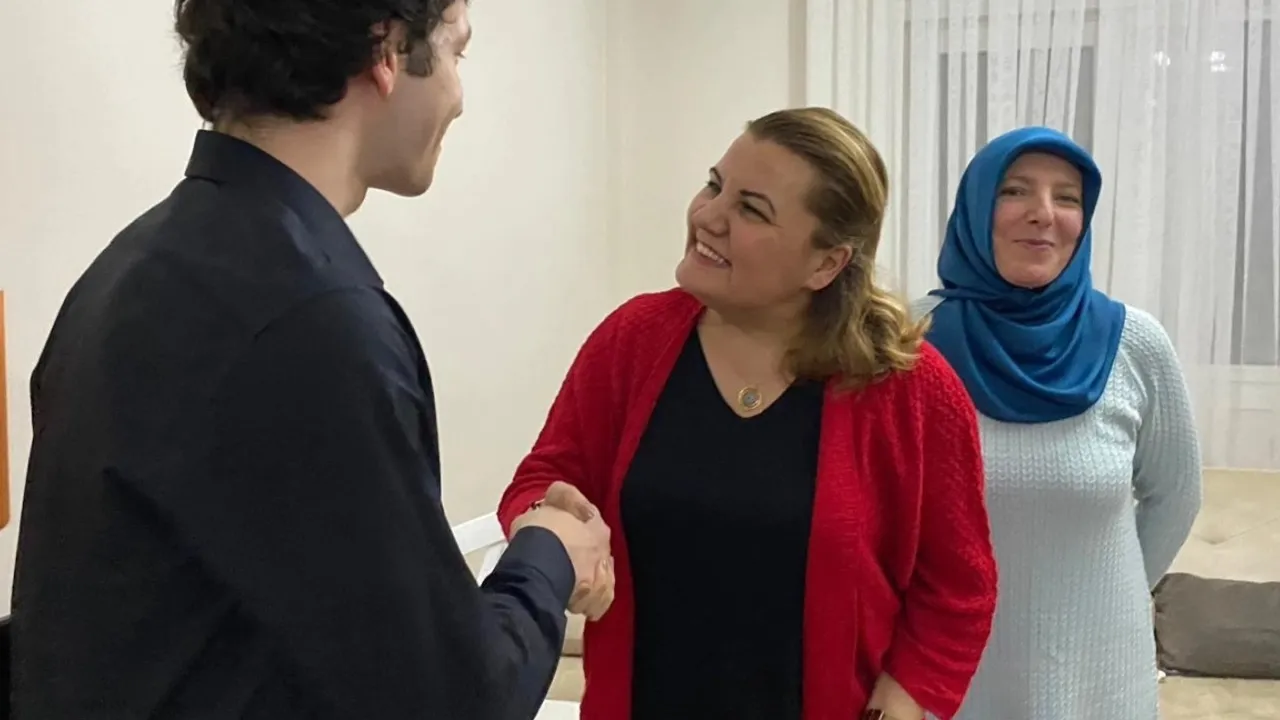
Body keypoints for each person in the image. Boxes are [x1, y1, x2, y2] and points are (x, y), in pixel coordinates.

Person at [11, 1, 614, 718]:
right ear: (387, 50)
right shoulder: (310, 316)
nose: (458, 96)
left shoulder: (127, 268)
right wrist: (548, 552)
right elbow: (453, 699)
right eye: (458, 52)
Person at [496, 107, 1000, 720]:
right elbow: (543, 479)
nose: (707, 216)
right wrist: (548, 524)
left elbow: (958, 588)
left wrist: (899, 704)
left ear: (826, 264)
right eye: (714, 185)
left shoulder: (912, 388)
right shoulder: (632, 340)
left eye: (751, 210)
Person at [913, 126, 1202, 719]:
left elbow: (1176, 496)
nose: (1043, 214)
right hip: (947, 673)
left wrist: (1106, 597)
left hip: (1101, 676)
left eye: (1067, 197)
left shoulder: (1136, 343)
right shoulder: (906, 340)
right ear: (975, 206)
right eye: (1014, 190)